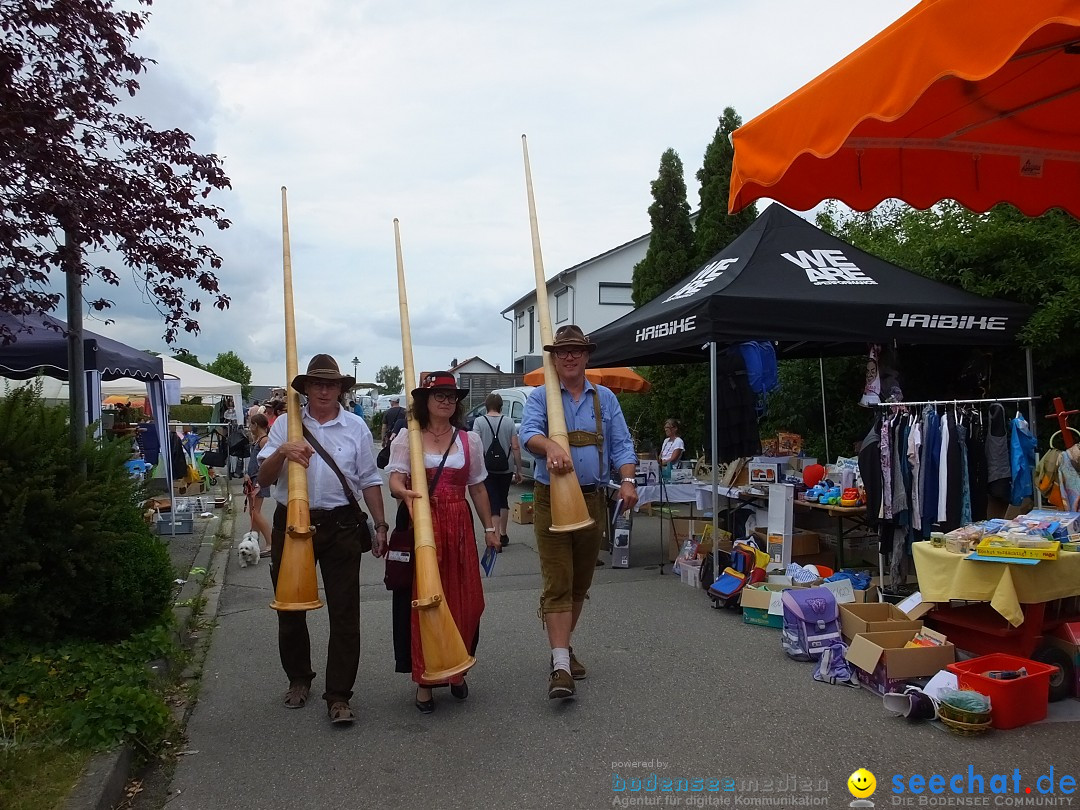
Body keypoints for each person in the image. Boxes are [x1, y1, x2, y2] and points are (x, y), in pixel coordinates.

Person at [257, 354, 389, 726]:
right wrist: (282, 450)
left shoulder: (356, 427)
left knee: (345, 611)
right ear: (307, 389)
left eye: (332, 384)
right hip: (291, 522)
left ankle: (339, 694)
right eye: (318, 384)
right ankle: (299, 678)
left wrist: (380, 525)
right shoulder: (285, 424)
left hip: (343, 524)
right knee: (290, 606)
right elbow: (265, 479)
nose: (325, 390)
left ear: (341, 389)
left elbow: (369, 480)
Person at [519, 324, 638, 701]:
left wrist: (629, 480)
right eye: (562, 352)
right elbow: (528, 433)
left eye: (575, 351)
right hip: (548, 498)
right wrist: (548, 448)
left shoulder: (605, 399)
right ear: (553, 359)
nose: (569, 357)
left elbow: (621, 444)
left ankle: (563, 649)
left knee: (580, 584)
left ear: (587, 356)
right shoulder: (541, 396)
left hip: (591, 500)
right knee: (558, 581)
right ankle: (560, 667)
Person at [387, 371, 498, 714]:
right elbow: (394, 479)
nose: (447, 401)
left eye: (452, 397)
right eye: (440, 396)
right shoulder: (409, 437)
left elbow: (478, 487)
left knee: (464, 601)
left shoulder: (469, 440)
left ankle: (457, 669)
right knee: (425, 601)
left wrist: (490, 527)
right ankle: (425, 679)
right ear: (425, 401)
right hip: (422, 524)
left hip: (458, 524)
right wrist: (401, 491)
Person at [470, 391, 522, 550]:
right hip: (505, 466)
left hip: (486, 467)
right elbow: (515, 446)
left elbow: (475, 445)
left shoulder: (479, 421)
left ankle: (496, 537)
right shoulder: (509, 422)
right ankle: (504, 534)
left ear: (486, 406)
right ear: (501, 406)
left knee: (492, 500)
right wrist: (518, 469)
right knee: (503, 498)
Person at [244, 412, 272, 556]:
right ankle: (253, 541)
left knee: (255, 512)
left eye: (251, 424)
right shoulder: (259, 439)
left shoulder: (264, 440)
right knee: (252, 512)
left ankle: (270, 543)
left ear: (256, 425)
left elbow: (266, 462)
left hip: (258, 481)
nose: (249, 427)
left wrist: (259, 482)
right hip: (253, 479)